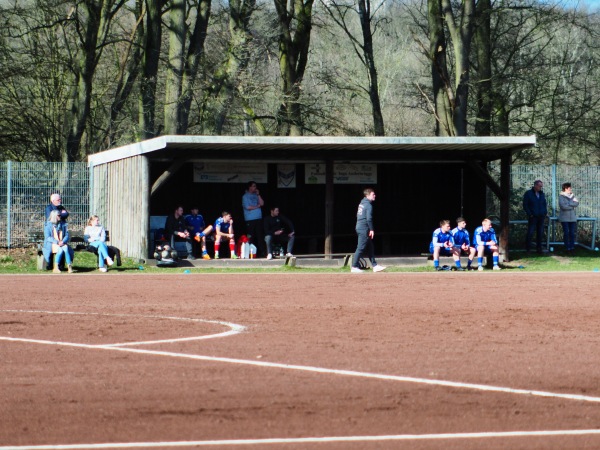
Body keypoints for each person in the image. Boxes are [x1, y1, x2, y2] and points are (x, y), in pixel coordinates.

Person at [350, 188, 386, 273]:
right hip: (364, 228)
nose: (375, 196)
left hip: (360, 227)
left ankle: (375, 265)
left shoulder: (362, 203)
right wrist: (371, 229)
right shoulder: (368, 205)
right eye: (373, 194)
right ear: (367, 195)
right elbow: (369, 218)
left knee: (370, 247)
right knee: (360, 248)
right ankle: (354, 266)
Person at [43, 210, 74, 274]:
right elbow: (48, 237)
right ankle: (56, 267)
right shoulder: (48, 225)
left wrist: (63, 241)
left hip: (61, 242)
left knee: (65, 248)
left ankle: (69, 266)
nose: (60, 216)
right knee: (60, 249)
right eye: (59, 215)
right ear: (54, 216)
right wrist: (57, 242)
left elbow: (66, 235)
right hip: (52, 244)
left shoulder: (63, 224)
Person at [523, 180, 548, 253]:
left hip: (541, 216)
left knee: (540, 232)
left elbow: (544, 204)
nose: (541, 188)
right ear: (535, 185)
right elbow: (525, 205)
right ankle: (528, 248)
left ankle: (539, 248)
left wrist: (544, 212)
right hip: (533, 216)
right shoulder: (528, 194)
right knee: (530, 232)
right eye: (540, 186)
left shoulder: (541, 194)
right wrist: (530, 214)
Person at [242, 181, 265, 257]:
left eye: (255, 186)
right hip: (250, 219)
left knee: (260, 236)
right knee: (250, 236)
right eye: (253, 186)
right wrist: (257, 207)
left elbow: (262, 204)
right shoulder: (245, 196)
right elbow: (248, 207)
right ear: (249, 187)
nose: (255, 188)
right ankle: (248, 252)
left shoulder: (256, 195)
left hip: (258, 218)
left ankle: (262, 252)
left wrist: (258, 194)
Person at [558, 182, 579, 255]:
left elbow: (576, 203)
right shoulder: (561, 196)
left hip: (572, 218)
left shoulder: (573, 196)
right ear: (565, 188)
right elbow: (563, 206)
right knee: (566, 233)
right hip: (564, 218)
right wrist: (572, 205)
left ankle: (572, 247)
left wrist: (569, 204)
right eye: (569, 188)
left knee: (572, 233)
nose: (571, 189)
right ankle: (567, 247)